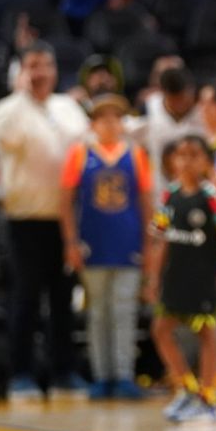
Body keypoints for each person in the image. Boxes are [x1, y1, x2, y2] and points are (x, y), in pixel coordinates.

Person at [0, 42, 91, 401]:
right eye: (32, 66)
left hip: (65, 222)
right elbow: (5, 140)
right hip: (25, 220)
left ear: (55, 70)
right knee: (26, 299)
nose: (40, 72)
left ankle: (64, 373)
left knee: (63, 300)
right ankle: (21, 375)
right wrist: (20, 95)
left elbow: (86, 152)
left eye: (45, 65)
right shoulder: (7, 110)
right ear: (22, 71)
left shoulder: (70, 108)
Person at [145, 135, 216, 422]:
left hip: (202, 280)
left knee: (206, 334)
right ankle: (187, 389)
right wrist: (153, 278)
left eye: (193, 155)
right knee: (161, 329)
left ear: (205, 162)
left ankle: (207, 397)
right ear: (172, 160)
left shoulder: (211, 196)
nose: (186, 161)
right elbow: (161, 238)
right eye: (181, 155)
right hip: (175, 279)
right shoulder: (170, 195)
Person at [59, 93, 151, 400]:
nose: (110, 123)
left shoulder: (136, 154)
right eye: (103, 118)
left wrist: (150, 243)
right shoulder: (79, 154)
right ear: (93, 123)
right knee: (97, 312)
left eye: (116, 117)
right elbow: (66, 201)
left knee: (124, 310)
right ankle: (101, 375)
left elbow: (146, 201)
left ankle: (124, 374)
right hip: (92, 243)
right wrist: (70, 241)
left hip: (128, 242)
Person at [127, 67, 203, 206]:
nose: (180, 103)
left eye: (184, 98)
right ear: (163, 94)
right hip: (159, 191)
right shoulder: (149, 108)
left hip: (200, 189)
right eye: (175, 99)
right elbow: (128, 138)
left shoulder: (204, 108)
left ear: (191, 90)